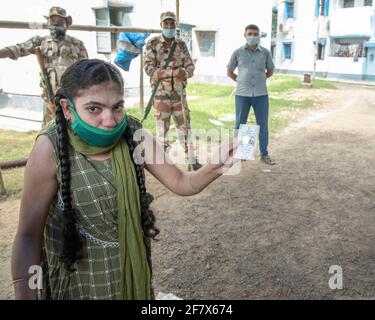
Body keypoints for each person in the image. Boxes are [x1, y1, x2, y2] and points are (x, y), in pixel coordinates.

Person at [11, 59, 237, 300]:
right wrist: (25, 293)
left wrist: (216, 165)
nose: (110, 121)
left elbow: (182, 183)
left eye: (117, 107)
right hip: (75, 284)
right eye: (94, 109)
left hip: (129, 278)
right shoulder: (50, 148)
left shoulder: (134, 134)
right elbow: (28, 235)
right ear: (67, 109)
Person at [0, 7, 88, 124]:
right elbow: (17, 49)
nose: (56, 25)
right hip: (50, 98)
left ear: (67, 24)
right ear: (48, 24)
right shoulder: (39, 42)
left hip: (72, 97)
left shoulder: (77, 44)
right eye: (53, 21)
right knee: (50, 131)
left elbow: (87, 70)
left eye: (60, 22)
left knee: (74, 128)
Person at [144, 11, 201, 170]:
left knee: (184, 125)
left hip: (179, 94)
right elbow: (148, 68)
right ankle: (163, 166)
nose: (169, 26)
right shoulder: (152, 44)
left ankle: (191, 160)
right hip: (161, 94)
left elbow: (190, 64)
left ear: (175, 25)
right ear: (161, 25)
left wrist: (186, 71)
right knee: (162, 128)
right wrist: (170, 73)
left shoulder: (181, 44)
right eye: (166, 24)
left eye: (171, 24)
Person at [227, 24, 276, 165]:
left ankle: (264, 154)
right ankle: (238, 152)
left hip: (261, 94)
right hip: (242, 94)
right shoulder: (237, 53)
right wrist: (241, 80)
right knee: (240, 124)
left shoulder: (265, 53)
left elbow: (270, 71)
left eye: (255, 34)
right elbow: (229, 71)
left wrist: (260, 80)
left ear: (259, 36)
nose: (253, 36)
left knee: (263, 125)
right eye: (250, 33)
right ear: (245, 35)